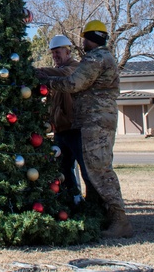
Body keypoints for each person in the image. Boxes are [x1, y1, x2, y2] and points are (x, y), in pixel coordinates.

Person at [38, 20, 132, 238]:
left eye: (85, 38)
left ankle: (119, 220)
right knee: (93, 168)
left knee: (99, 170)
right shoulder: (103, 57)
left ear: (91, 38)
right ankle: (103, 213)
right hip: (94, 120)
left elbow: (73, 84)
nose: (84, 42)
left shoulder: (96, 58)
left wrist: (45, 80)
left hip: (95, 121)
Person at [35, 34, 91, 205]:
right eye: (52, 53)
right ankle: (73, 199)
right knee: (63, 168)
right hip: (60, 130)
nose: (55, 56)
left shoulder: (74, 68)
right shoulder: (55, 77)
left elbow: (63, 74)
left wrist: (36, 72)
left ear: (67, 52)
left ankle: (93, 203)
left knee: (85, 168)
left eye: (57, 52)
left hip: (75, 129)